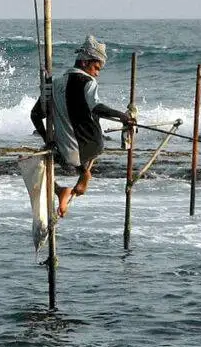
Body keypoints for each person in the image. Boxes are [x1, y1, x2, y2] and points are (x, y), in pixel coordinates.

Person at [30, 35, 134, 218]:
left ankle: (60, 189)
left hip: (64, 153)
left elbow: (35, 115)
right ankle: (85, 173)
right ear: (85, 62)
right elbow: (97, 107)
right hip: (91, 146)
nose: (97, 73)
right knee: (91, 116)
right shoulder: (88, 82)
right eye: (96, 67)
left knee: (38, 166)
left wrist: (48, 138)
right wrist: (122, 116)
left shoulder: (54, 84)